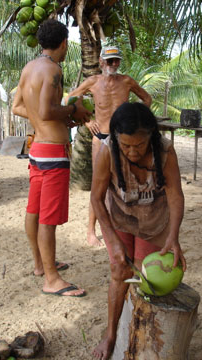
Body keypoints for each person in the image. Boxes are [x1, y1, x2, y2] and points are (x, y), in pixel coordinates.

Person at [90, 102, 186, 360]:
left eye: (139, 145)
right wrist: (111, 239)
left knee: (147, 279)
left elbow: (175, 196)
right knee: (119, 271)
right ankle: (111, 335)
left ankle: (138, 334)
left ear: (151, 138)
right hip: (120, 220)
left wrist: (173, 237)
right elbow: (97, 198)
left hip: (154, 222)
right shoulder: (108, 150)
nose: (132, 152)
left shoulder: (165, 152)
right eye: (126, 145)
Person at [12, 19, 91, 297]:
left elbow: (18, 107)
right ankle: (52, 279)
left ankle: (40, 265)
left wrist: (46, 117)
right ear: (64, 44)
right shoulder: (53, 70)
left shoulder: (29, 68)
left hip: (37, 151)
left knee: (34, 211)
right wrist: (73, 112)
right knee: (48, 219)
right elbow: (47, 111)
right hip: (54, 153)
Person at [67, 46, 152, 247]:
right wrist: (86, 121)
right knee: (99, 186)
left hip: (122, 137)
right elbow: (70, 99)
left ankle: (122, 226)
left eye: (116, 61)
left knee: (126, 182)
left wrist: (136, 119)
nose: (114, 64)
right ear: (101, 61)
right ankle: (91, 232)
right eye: (110, 60)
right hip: (101, 136)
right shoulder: (93, 82)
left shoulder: (127, 81)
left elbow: (146, 99)